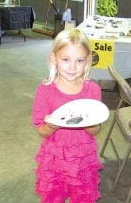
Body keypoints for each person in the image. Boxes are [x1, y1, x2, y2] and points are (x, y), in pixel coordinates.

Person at [32, 28, 103, 203]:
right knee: (54, 197)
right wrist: (51, 126)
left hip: (83, 159)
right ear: (54, 58)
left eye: (79, 60)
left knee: (83, 197)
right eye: (65, 59)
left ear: (88, 61)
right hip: (55, 161)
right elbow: (42, 131)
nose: (72, 67)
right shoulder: (45, 91)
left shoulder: (92, 90)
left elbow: (95, 130)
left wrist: (90, 123)